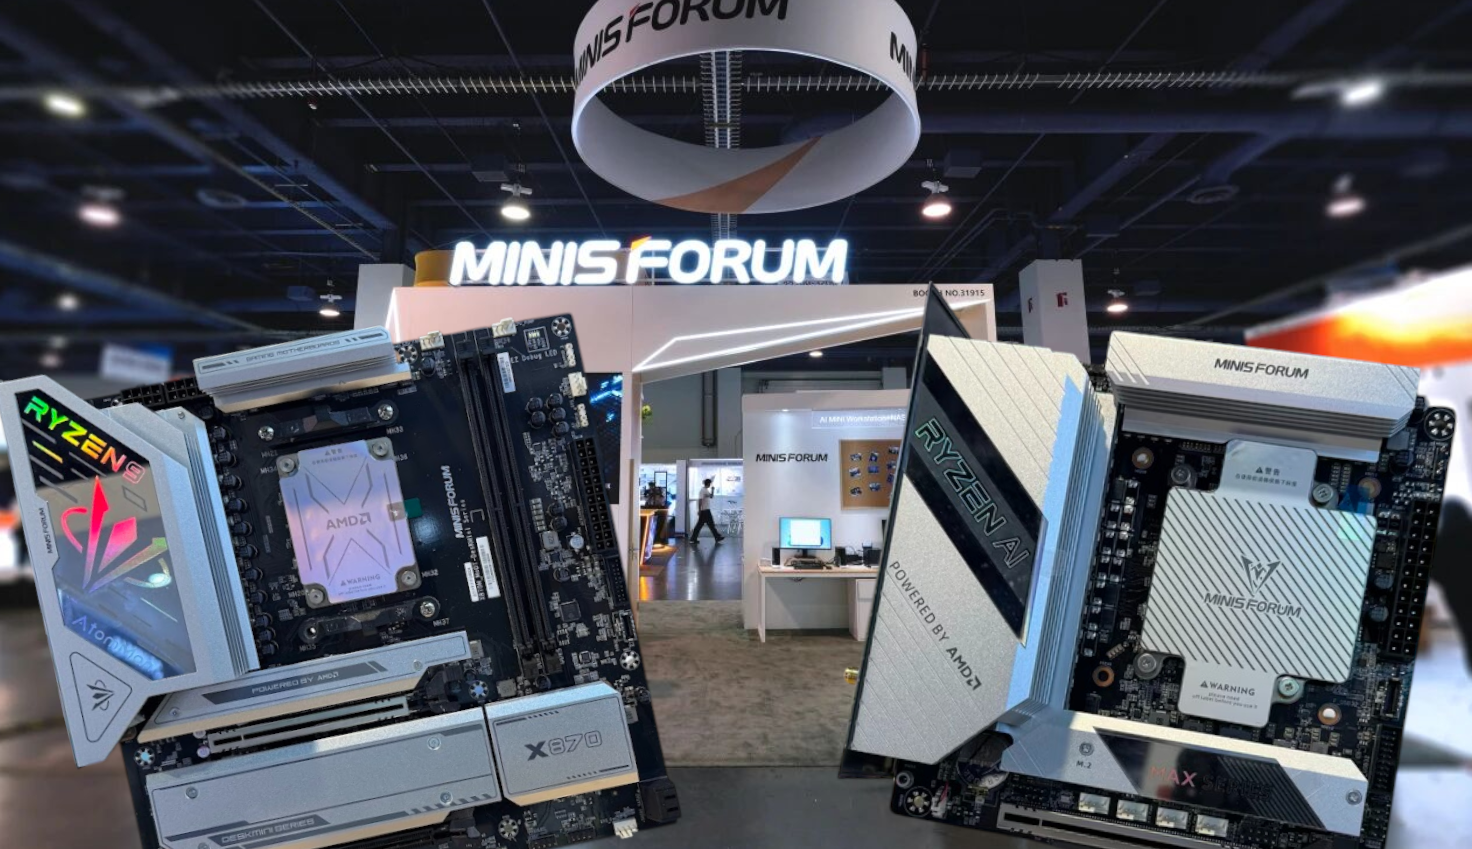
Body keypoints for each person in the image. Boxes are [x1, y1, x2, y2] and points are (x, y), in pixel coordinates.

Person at [689, 477, 724, 544]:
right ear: (708, 483)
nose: (710, 485)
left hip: (705, 510)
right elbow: (700, 500)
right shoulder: (702, 490)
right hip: (705, 511)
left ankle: (693, 538)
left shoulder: (706, 490)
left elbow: (711, 496)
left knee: (701, 525)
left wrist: (713, 490)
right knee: (709, 524)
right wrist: (699, 510)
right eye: (710, 483)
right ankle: (717, 537)